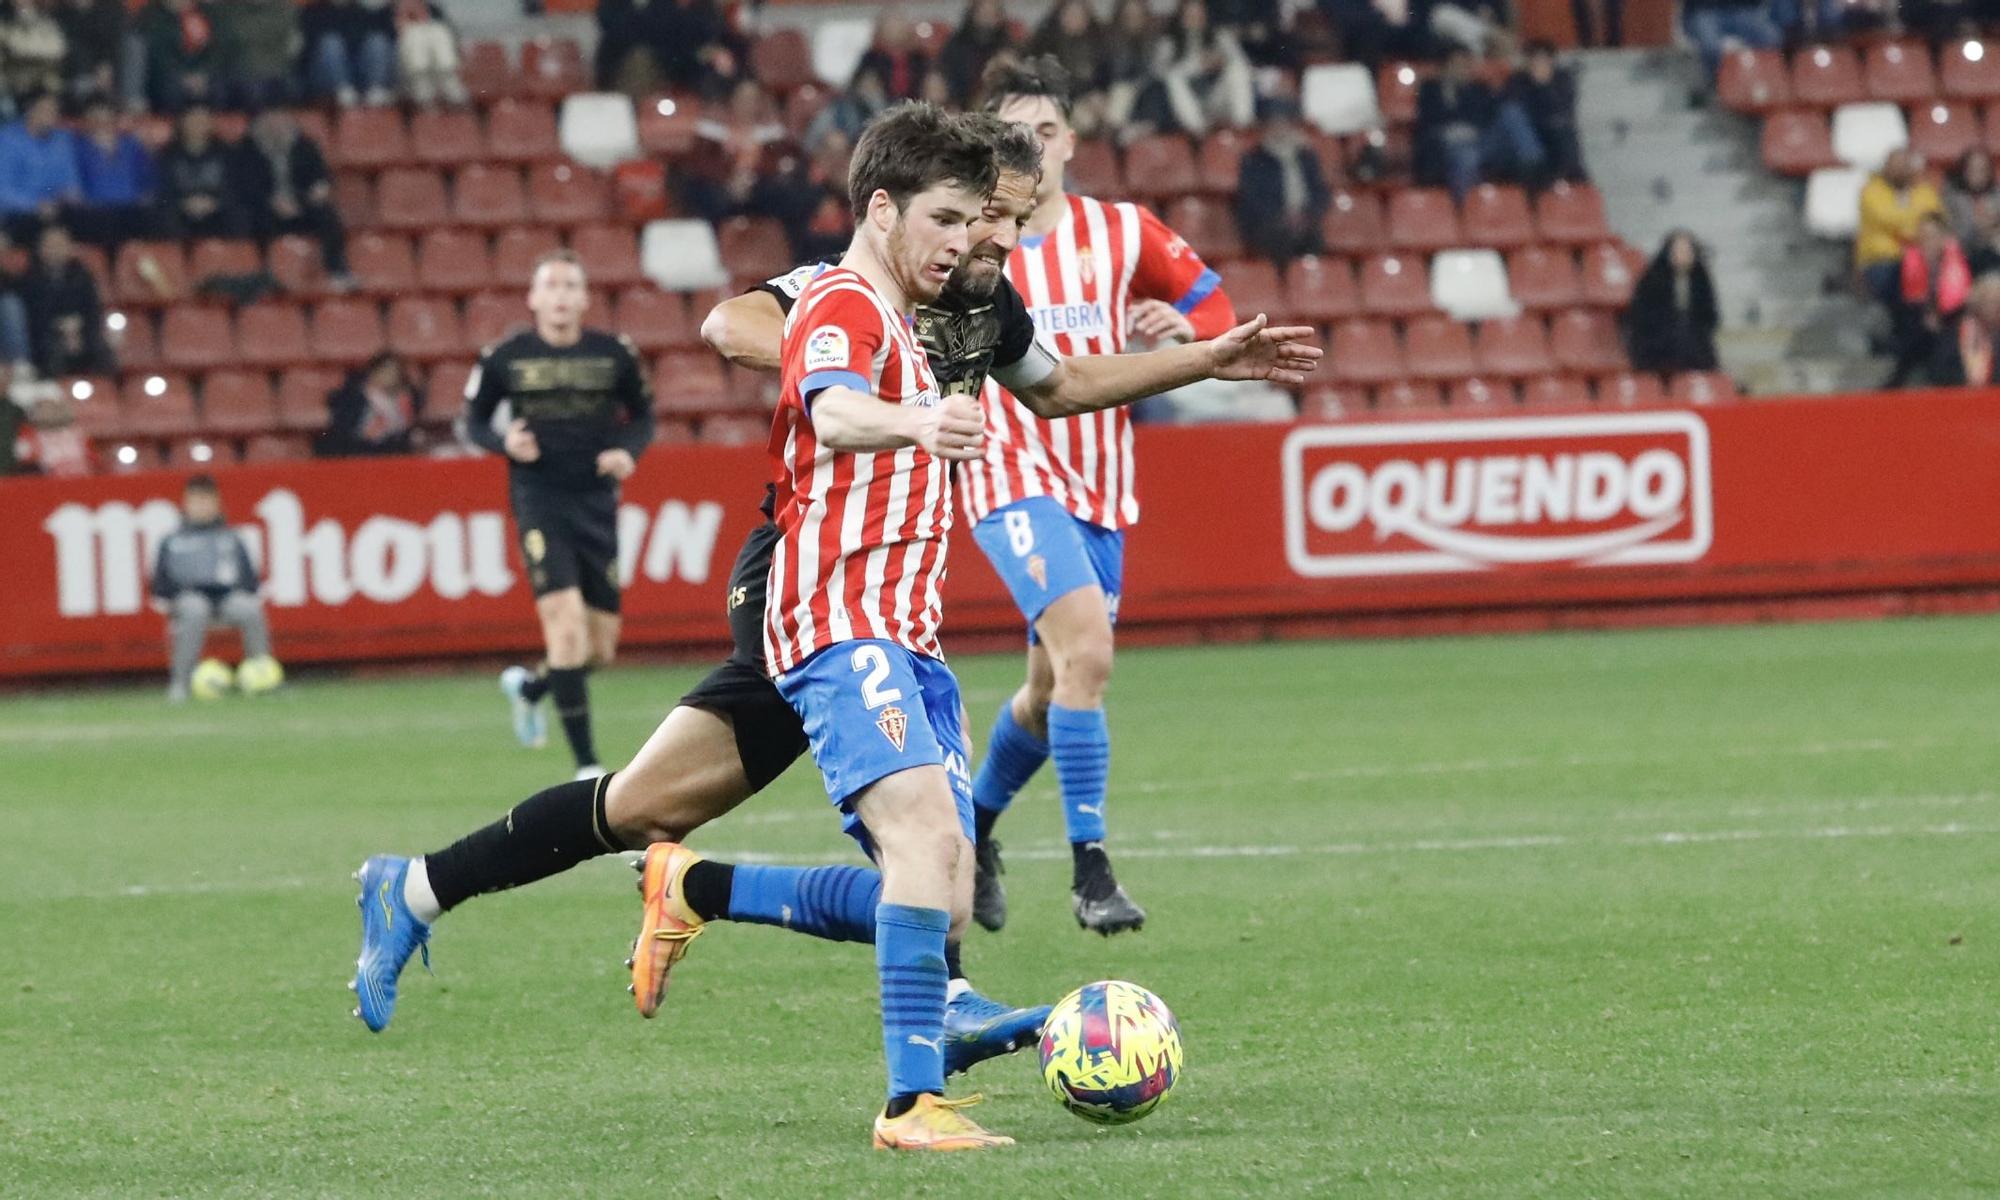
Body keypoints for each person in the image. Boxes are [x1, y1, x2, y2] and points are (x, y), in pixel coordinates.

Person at [343, 108, 1316, 1100]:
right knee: (924, 856)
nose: (1000, 242)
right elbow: (736, 329)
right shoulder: (847, 292)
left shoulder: (978, 300)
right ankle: (924, 1036)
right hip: (807, 574)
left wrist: (1201, 359)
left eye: (1013, 224)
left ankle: (424, 887)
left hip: (876, 591)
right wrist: (859, 372)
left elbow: (1060, 385)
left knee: (640, 806)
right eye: (988, 220)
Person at [963, 55, 1241, 936]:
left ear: (1072, 139)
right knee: (1090, 656)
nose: (1035, 147)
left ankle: (971, 829)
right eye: (1016, 134)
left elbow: (1218, 313)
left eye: (1047, 131)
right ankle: (1091, 869)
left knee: (1051, 691)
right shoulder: (973, 243)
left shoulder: (1123, 231)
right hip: (1008, 472)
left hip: (1101, 485)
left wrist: (1189, 326)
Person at [461, 250, 653, 780]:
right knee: (565, 630)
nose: (562, 296)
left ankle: (530, 688)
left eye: (571, 286)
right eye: (552, 286)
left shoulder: (614, 355)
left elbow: (643, 416)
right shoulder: (506, 357)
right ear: (534, 298)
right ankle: (588, 766)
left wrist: (627, 453)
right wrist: (504, 442)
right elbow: (472, 421)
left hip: (595, 500)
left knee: (599, 648)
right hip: (539, 497)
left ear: (586, 298)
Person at [151, 474, 275, 704]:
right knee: (195, 609)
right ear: (185, 504)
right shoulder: (172, 540)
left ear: (217, 504)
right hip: (188, 600)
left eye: (206, 501)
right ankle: (181, 684)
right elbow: (161, 582)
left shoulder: (230, 537)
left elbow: (249, 578)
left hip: (226, 599)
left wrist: (238, 591)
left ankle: (263, 678)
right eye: (196, 501)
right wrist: (172, 599)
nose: (201, 507)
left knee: (249, 609)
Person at [233, 109, 350, 284]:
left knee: (328, 217)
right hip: (266, 207)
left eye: (280, 122)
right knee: (251, 220)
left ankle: (337, 270)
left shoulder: (306, 146)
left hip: (302, 203)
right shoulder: (245, 151)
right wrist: (272, 202)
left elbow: (321, 176)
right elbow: (246, 187)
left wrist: (320, 187)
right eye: (269, 123)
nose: (275, 128)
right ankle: (265, 274)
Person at [1235, 95, 1330, 267]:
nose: (1279, 128)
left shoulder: (1306, 157)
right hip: (1268, 225)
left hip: (1305, 221)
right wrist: (1281, 218)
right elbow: (1251, 199)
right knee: (1281, 239)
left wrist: (1307, 215)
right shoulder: (1254, 159)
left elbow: (1320, 191)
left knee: (1314, 240)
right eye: (1274, 123)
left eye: (1283, 122)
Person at [20, 223, 112, 376]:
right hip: (45, 336)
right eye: (50, 245)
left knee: (103, 351)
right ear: (40, 249)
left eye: (60, 245)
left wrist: (79, 330)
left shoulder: (83, 277)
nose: (56, 250)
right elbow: (33, 317)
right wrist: (60, 328)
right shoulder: (29, 280)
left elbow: (93, 310)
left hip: (82, 331)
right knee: (52, 353)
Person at [1889, 212, 1970, 386]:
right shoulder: (1904, 267)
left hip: (1951, 323)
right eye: (1923, 237)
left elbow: (1962, 302)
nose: (1928, 242)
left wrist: (1941, 318)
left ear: (1944, 238)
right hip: (1917, 324)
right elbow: (1900, 304)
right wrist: (1923, 316)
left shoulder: (1962, 264)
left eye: (1933, 236)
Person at [1154, 0, 1256, 137]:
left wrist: (1222, 61)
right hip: (1187, 105)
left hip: (1215, 98)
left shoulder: (1220, 36)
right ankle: (1199, 132)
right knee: (1173, 77)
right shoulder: (1169, 42)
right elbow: (1159, 73)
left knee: (1237, 69)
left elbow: (1243, 64)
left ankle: (1243, 126)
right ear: (1181, 16)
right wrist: (1198, 65)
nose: (1195, 18)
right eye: (1190, 14)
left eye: (1199, 13)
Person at [1624, 229, 1719, 376]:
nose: (1683, 255)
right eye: (1679, 250)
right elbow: (1642, 317)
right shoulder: (1652, 279)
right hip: (1658, 344)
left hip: (1694, 345)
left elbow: (1709, 316)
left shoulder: (1701, 279)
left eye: (1688, 251)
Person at [1856, 149, 1943, 304]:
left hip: (1925, 258)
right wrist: (1915, 227)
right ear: (1886, 167)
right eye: (1895, 165)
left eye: (1903, 165)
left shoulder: (1925, 191)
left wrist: (1906, 226)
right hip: (1884, 260)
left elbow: (1934, 218)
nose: (1899, 170)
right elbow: (1886, 218)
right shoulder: (1871, 191)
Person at [71, 95, 156, 250]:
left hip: (131, 211)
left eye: (104, 112)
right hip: (96, 212)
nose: (99, 119)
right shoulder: (77, 148)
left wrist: (145, 196)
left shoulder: (131, 144)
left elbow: (146, 177)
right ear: (85, 117)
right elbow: (74, 183)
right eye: (93, 113)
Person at [155, 102, 243, 239]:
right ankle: (176, 259)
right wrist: (184, 203)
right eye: (192, 121)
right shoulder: (168, 154)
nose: (197, 126)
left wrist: (214, 203)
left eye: (202, 121)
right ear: (182, 124)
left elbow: (234, 187)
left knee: (237, 215)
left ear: (211, 124)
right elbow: (163, 190)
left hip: (216, 209)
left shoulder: (226, 153)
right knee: (166, 217)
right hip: (181, 210)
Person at [0, 92, 80, 241]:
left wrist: (71, 192)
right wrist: (35, 206)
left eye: (54, 111)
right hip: (18, 214)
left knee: (96, 220)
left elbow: (70, 180)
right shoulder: (7, 139)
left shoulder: (62, 140)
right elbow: (3, 191)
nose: (52, 116)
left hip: (57, 212)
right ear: (30, 110)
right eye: (46, 110)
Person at [1505, 41, 1584, 185]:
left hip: (1556, 128)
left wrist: (1544, 86)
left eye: (1543, 59)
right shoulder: (1518, 80)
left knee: (1562, 131)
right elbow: (1519, 109)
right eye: (1534, 59)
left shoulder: (1563, 79)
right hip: (1532, 130)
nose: (1538, 63)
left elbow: (1564, 108)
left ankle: (1571, 178)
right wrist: (1537, 85)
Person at [315, 351, 421, 456]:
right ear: (373, 372)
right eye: (384, 370)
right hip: (355, 452)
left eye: (394, 371)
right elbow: (343, 425)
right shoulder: (352, 395)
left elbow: (404, 429)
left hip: (391, 452)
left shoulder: (406, 398)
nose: (389, 376)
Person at [129, 0, 221, 113]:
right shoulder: (152, 14)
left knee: (218, 88)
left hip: (201, 75)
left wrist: (202, 73)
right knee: (171, 91)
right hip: (164, 77)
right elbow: (156, 55)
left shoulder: (205, 13)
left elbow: (215, 50)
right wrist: (183, 77)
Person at [300, 0, 394, 107]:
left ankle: (376, 91)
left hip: (363, 75)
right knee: (330, 43)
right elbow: (309, 49)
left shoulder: (374, 9)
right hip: (328, 78)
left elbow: (389, 39)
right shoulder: (316, 10)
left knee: (378, 42)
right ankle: (342, 93)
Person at [1923, 270, 2000, 386]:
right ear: (1978, 302)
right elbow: (1940, 370)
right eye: (1991, 301)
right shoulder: (1954, 333)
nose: (1995, 307)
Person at [1682, 0, 1780, 88]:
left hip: (1741, 11)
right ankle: (1717, 86)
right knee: (1711, 47)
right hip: (1705, 11)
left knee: (1771, 38)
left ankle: (1761, 86)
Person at [394, 0, 466, 107]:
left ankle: (449, 82)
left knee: (439, 32)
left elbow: (454, 40)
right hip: (402, 76)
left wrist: (424, 20)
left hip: (437, 70)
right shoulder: (384, 14)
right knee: (414, 35)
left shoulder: (434, 11)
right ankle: (422, 88)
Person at [938, 0, 1010, 106]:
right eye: (983, 13)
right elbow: (946, 75)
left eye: (992, 14)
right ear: (972, 14)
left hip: (996, 106)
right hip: (960, 103)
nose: (987, 19)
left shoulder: (1007, 45)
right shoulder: (956, 44)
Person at [853, 6, 929, 103]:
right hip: (882, 108)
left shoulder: (919, 57)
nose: (895, 30)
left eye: (899, 24)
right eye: (890, 26)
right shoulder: (871, 58)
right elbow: (856, 86)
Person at [2, 0, 69, 104]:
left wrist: (19, 49)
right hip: (12, 83)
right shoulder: (5, 23)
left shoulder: (48, 23)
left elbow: (57, 50)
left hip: (43, 82)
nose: (22, 2)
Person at [1942, 148, 2000, 250]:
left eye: (1982, 169)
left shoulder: (1997, 194)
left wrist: (1993, 226)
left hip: (1993, 254)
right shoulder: (1952, 197)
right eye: (1972, 169)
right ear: (1964, 171)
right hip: (1961, 253)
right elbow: (1948, 232)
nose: (1978, 174)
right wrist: (1977, 225)